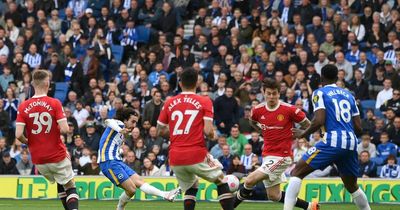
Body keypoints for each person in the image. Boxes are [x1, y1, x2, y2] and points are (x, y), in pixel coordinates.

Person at [286, 64, 371, 210]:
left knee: (297, 172)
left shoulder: (319, 93)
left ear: (321, 77)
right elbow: (358, 127)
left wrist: (303, 133)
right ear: (337, 76)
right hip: (351, 142)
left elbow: (318, 120)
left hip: (333, 140)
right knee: (352, 186)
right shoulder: (349, 95)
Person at [157, 68, 235, 210]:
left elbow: (160, 130)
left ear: (180, 84)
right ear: (197, 83)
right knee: (221, 180)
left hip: (175, 157)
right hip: (196, 153)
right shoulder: (204, 101)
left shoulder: (169, 102)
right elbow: (208, 131)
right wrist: (213, 135)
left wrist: (177, 134)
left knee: (191, 186)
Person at [233, 78, 317, 210]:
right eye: (269, 93)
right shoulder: (257, 110)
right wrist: (261, 131)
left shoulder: (290, 110)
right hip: (267, 155)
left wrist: (301, 133)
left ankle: (227, 207)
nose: (271, 97)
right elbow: (252, 122)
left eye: (274, 93)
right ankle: (310, 206)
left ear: (279, 94)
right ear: (264, 93)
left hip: (282, 157)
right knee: (274, 195)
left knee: (249, 180)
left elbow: (310, 125)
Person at [15, 70, 79, 210]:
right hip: (57, 154)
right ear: (47, 83)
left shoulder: (23, 106)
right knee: (70, 185)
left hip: (39, 160)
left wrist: (29, 141)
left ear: (32, 84)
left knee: (60, 182)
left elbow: (18, 134)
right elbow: (65, 129)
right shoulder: (54, 103)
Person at [98, 107, 180, 210]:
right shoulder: (118, 124)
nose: (134, 125)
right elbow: (108, 121)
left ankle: (166, 194)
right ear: (125, 119)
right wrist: (120, 129)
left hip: (117, 161)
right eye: (132, 121)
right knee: (132, 189)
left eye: (136, 122)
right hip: (108, 162)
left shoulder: (123, 132)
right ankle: (119, 208)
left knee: (139, 181)